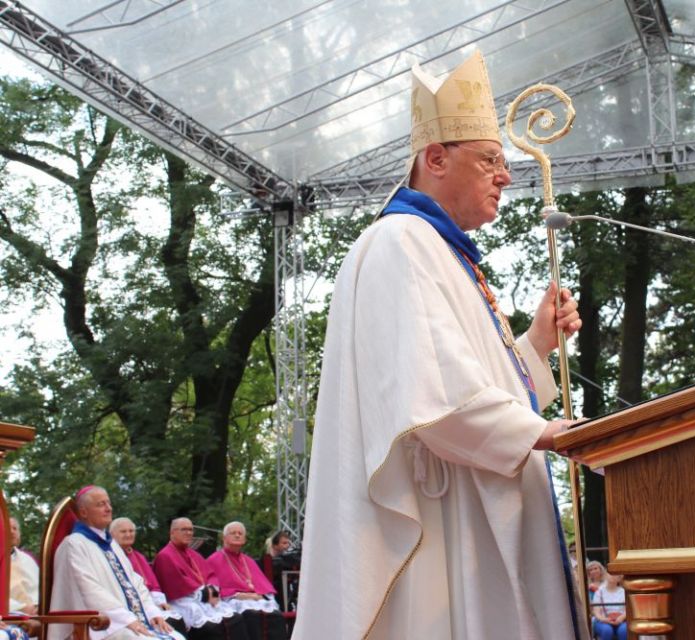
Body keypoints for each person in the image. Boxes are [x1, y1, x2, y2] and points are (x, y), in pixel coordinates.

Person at [291, 49, 587, 640]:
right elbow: (436, 399)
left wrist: (535, 344)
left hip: (472, 496)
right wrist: (550, 435)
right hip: (442, 518)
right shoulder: (401, 241)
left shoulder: (442, 253)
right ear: (435, 159)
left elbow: (472, 384)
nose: (506, 175)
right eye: (489, 161)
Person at [49, 486, 185, 640]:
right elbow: (88, 589)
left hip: (129, 621)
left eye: (108, 503)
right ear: (84, 512)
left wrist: (151, 612)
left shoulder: (111, 544)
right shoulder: (74, 544)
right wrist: (126, 619)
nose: (108, 508)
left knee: (177, 637)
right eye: (100, 504)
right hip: (99, 626)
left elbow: (135, 582)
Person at [153, 518, 248, 640]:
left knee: (236, 619)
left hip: (205, 599)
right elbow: (177, 585)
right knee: (210, 627)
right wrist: (205, 594)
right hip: (183, 601)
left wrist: (212, 593)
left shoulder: (193, 554)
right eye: (184, 529)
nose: (188, 533)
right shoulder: (165, 556)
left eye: (191, 530)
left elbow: (211, 576)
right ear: (172, 533)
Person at [109, 517, 188, 636]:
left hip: (149, 601)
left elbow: (153, 585)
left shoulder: (139, 556)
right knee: (171, 623)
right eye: (123, 531)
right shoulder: (111, 557)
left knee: (177, 619)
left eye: (131, 531)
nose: (128, 534)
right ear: (112, 534)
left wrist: (159, 601)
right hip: (130, 606)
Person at [206, 522, 284, 640]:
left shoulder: (249, 560)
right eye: (233, 533)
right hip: (232, 602)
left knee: (275, 615)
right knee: (251, 615)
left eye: (240, 533)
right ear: (224, 537)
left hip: (255, 599)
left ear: (245, 539)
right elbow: (213, 590)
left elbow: (263, 587)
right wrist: (239, 595)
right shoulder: (213, 560)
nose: (237, 535)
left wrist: (259, 596)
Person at [8, 516, 39, 615]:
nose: (12, 532)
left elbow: (38, 589)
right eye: (8, 528)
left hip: (37, 614)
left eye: (15, 528)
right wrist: (21, 608)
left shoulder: (28, 560)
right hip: (9, 616)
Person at [591, 572, 627, 640]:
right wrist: (604, 619)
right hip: (603, 621)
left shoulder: (623, 592)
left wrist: (621, 618)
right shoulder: (599, 592)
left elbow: (627, 611)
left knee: (624, 630)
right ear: (606, 575)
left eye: (615, 574)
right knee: (607, 630)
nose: (612, 576)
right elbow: (596, 612)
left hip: (621, 620)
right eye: (610, 573)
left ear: (619, 578)